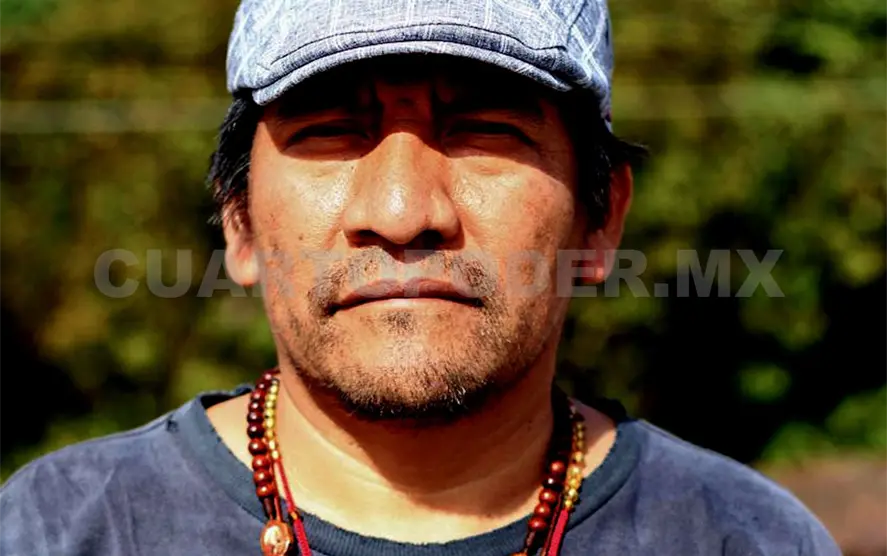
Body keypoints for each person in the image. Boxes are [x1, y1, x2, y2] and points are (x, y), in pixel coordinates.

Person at [0, 0, 841, 555]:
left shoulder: (746, 539)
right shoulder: (58, 530)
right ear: (239, 221)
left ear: (600, 220)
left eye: (484, 130)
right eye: (331, 131)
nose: (402, 213)